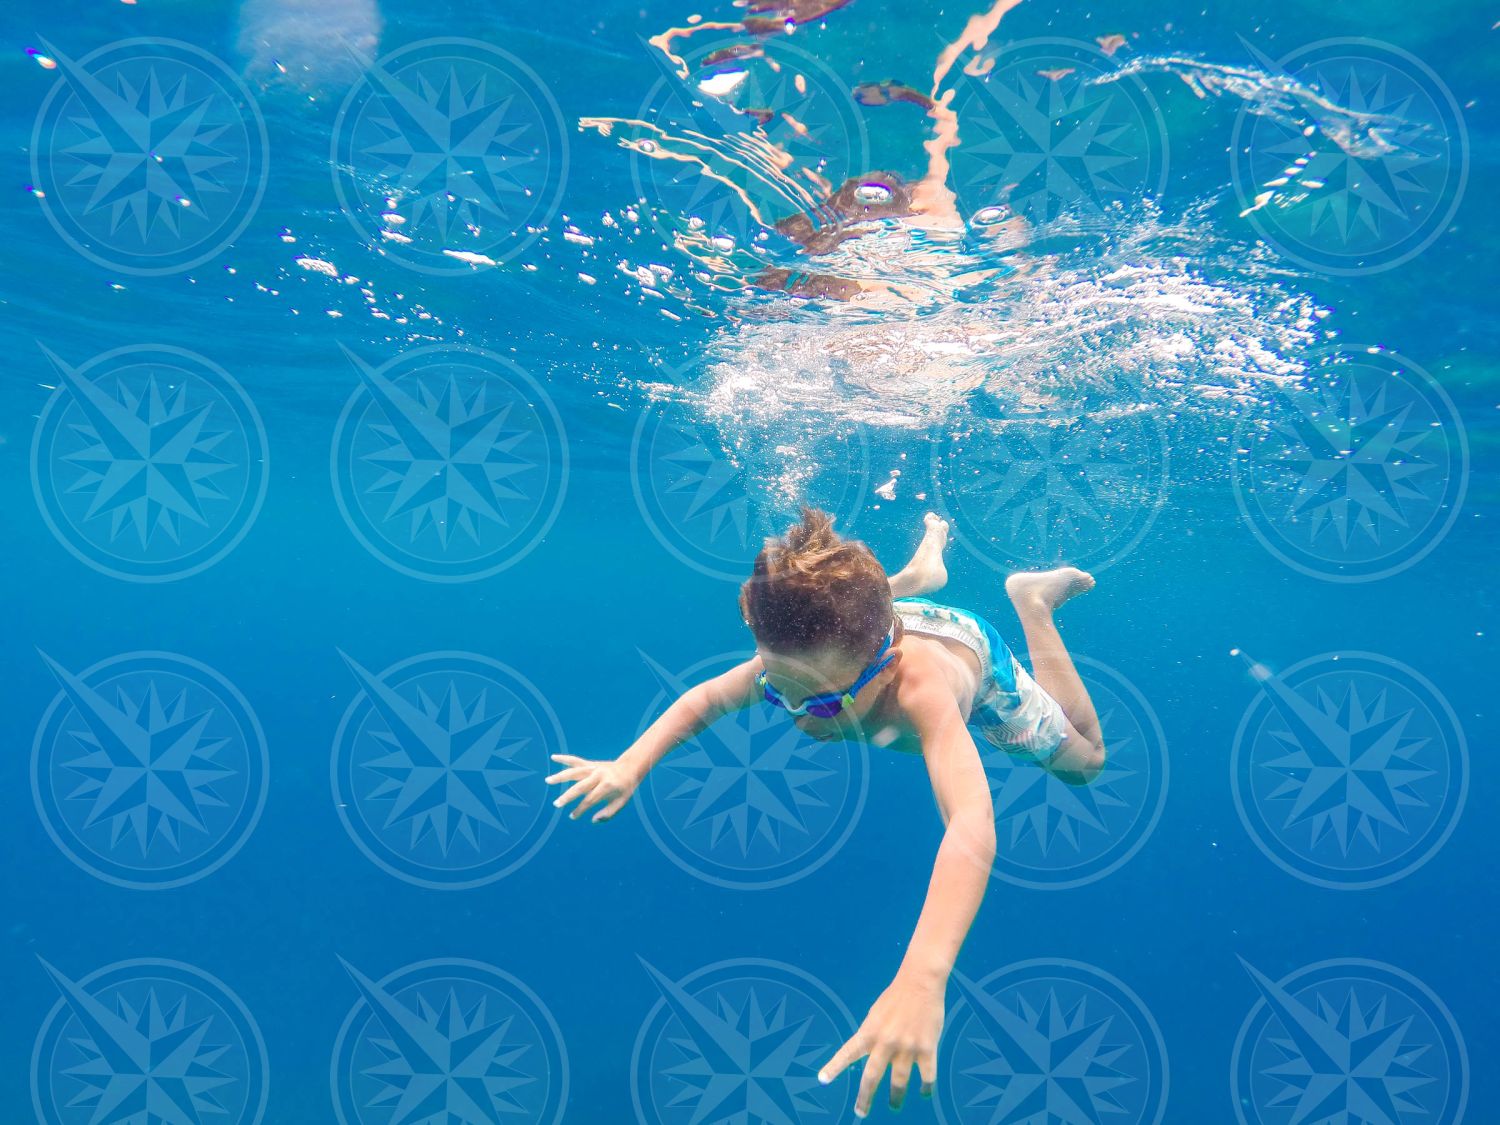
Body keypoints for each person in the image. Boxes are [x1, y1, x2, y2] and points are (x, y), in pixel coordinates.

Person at [547, 508, 1106, 1116]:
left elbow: (971, 823)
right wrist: (630, 763)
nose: (792, 714)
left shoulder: (923, 691)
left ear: (883, 670)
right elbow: (709, 696)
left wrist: (923, 977)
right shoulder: (808, 657)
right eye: (775, 688)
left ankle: (1031, 604)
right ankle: (917, 574)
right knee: (840, 629)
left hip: (968, 650)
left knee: (1086, 763)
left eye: (816, 702)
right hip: (876, 628)